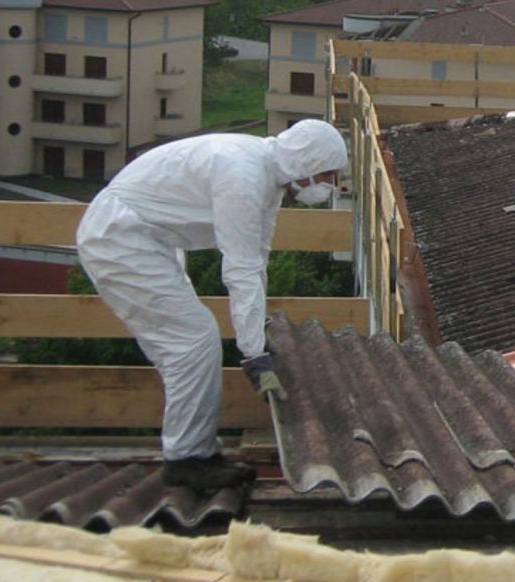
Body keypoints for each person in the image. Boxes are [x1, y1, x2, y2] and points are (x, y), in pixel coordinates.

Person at [77, 119, 348, 493]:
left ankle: (198, 452)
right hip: (119, 237)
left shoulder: (266, 179)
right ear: (308, 162)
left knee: (191, 344)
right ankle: (185, 459)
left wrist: (256, 337)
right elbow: (240, 268)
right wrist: (253, 354)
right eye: (329, 174)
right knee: (193, 342)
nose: (331, 184)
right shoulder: (244, 176)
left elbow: (257, 257)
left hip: (143, 238)